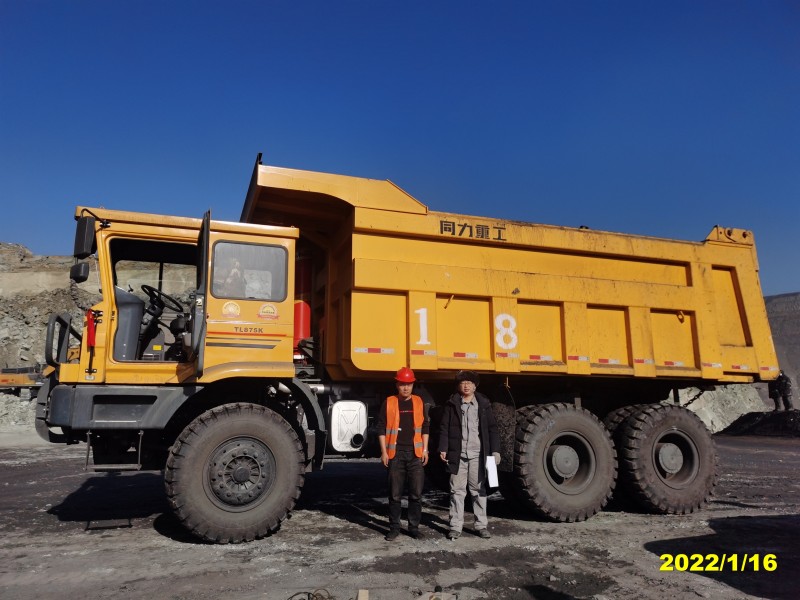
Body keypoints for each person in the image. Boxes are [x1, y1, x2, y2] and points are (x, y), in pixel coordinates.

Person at [438, 370, 500, 540]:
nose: (466, 386)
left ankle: (481, 525)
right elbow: (444, 428)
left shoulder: (483, 404)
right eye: (462, 383)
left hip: (478, 455)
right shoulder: (452, 404)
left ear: (475, 386)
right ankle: (455, 526)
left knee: (478, 490)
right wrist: (443, 448)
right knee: (456, 491)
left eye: (469, 383)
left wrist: (495, 451)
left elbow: (492, 429)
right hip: (457, 455)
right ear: (458, 386)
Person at [377, 367, 430, 540]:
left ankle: (413, 528)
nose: (406, 388)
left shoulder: (419, 402)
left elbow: (425, 427)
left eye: (409, 384)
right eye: (402, 384)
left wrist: (425, 449)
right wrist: (384, 452)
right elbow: (381, 428)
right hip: (395, 454)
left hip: (415, 454)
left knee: (416, 495)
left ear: (413, 385)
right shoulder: (389, 402)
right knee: (394, 495)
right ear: (397, 385)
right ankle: (394, 528)